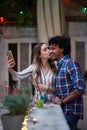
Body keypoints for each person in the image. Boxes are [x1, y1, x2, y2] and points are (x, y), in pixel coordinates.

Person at [48, 35, 86, 130]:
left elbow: (80, 88)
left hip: (70, 111)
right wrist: (56, 96)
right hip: (64, 110)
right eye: (49, 48)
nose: (50, 51)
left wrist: (62, 101)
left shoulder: (70, 63)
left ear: (62, 49)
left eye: (53, 48)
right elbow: (63, 90)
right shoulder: (60, 66)